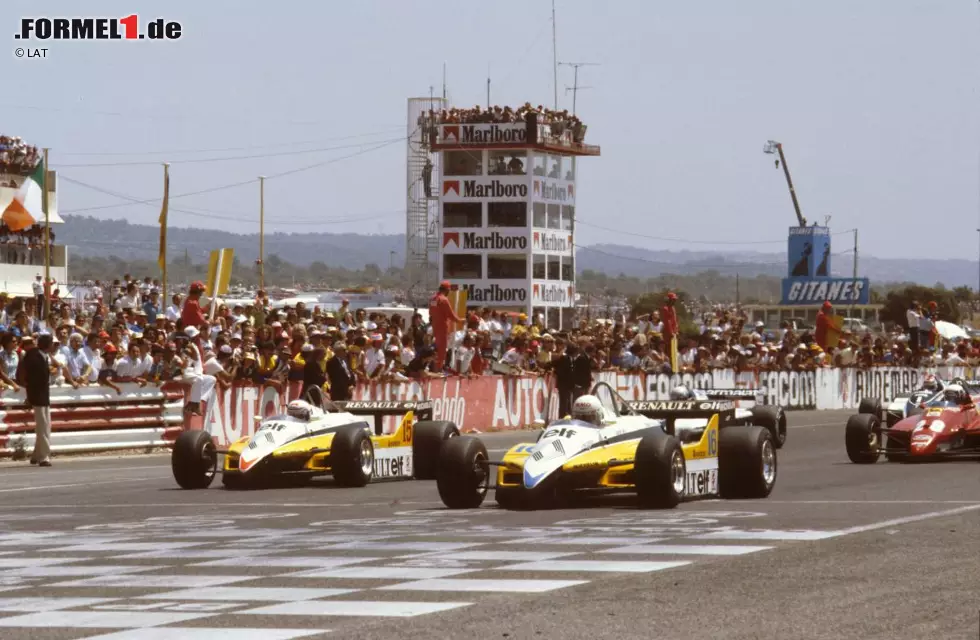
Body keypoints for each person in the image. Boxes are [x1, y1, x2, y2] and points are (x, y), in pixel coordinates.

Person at [22, 333, 53, 466]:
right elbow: (30, 378)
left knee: (44, 425)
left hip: (44, 395)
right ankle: (44, 456)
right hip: (37, 396)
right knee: (43, 427)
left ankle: (36, 454)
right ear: (48, 345)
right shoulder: (33, 355)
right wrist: (29, 397)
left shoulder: (43, 356)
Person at [428, 281, 461, 371]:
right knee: (441, 351)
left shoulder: (432, 299)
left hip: (435, 328)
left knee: (436, 350)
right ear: (447, 290)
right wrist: (460, 320)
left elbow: (430, 312)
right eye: (449, 290)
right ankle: (438, 370)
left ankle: (435, 369)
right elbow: (451, 315)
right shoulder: (444, 300)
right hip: (442, 328)